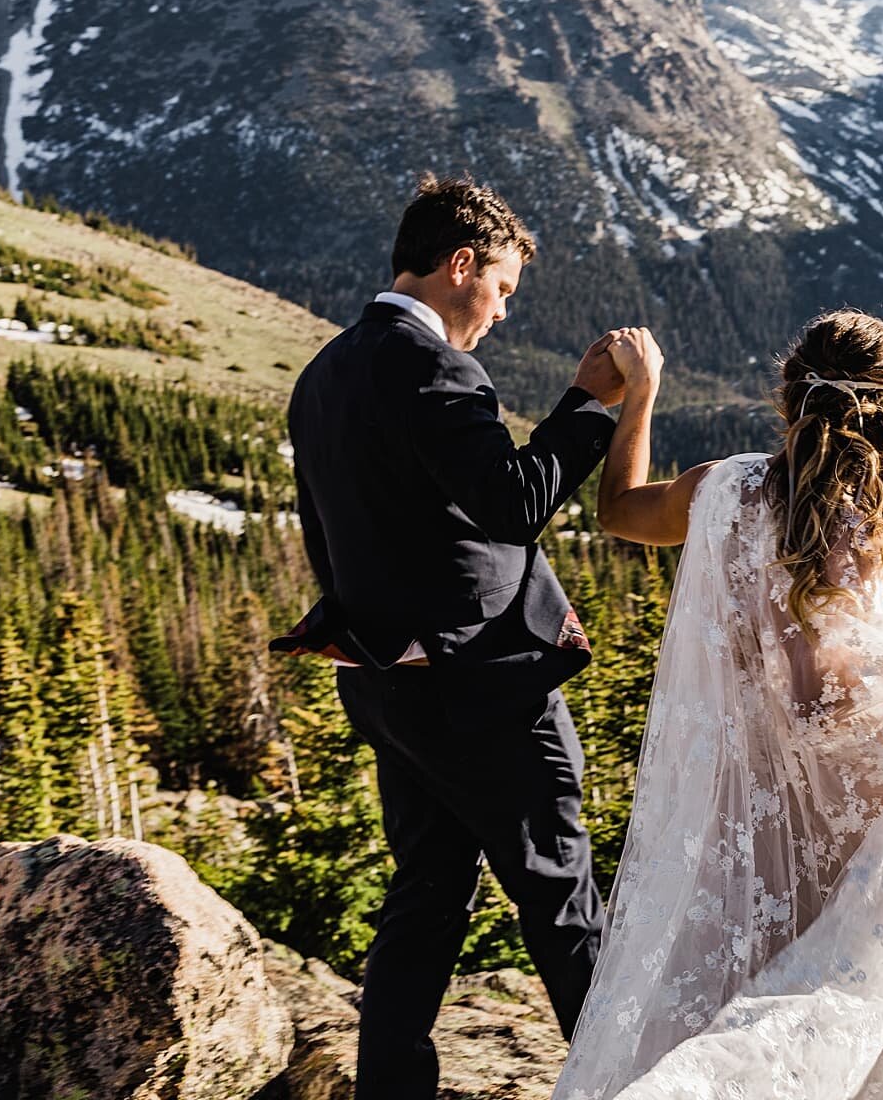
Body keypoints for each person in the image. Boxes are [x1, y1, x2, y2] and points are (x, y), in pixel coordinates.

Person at [553, 309, 883, 1099]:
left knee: (725, 1005)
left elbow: (618, 508)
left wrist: (642, 395)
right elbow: (819, 699)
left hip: (736, 816)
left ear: (788, 403)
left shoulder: (717, 488)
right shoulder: (853, 528)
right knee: (806, 1030)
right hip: (832, 824)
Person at [277, 173, 649, 1099]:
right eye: (504, 289)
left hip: (388, 685)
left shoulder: (322, 373)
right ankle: (621, 1085)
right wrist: (590, 401)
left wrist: (384, 646)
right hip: (482, 691)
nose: (502, 313)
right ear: (459, 265)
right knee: (560, 894)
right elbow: (515, 504)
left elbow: (325, 539)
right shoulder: (435, 366)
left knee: (428, 895)